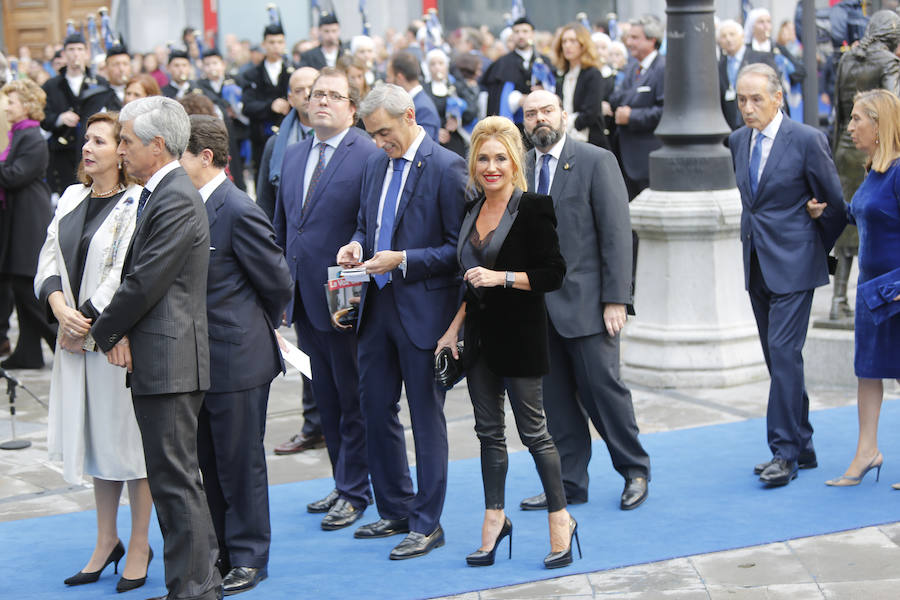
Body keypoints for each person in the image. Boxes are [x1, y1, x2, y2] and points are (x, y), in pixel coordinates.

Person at [88, 96, 222, 600]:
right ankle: (197, 584)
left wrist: (101, 330)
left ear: (158, 146)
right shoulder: (159, 193)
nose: (120, 151)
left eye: (126, 141)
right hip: (164, 357)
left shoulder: (173, 196)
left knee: (175, 482)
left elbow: (145, 282)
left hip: (170, 360)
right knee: (175, 480)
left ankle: (193, 589)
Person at [435, 115, 579, 569]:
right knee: (488, 433)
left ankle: (561, 519)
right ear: (473, 163)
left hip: (521, 336)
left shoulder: (534, 207)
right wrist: (453, 328)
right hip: (478, 338)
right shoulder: (470, 210)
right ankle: (495, 519)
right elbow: (469, 282)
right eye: (483, 158)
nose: (491, 166)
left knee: (535, 432)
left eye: (500, 158)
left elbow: (553, 273)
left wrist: (503, 277)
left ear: (514, 161)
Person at [336, 83, 466, 560]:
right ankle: (395, 509)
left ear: (410, 116)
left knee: (425, 419)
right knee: (374, 409)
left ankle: (428, 523)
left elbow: (459, 250)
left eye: (385, 132)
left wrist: (405, 259)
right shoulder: (375, 165)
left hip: (423, 314)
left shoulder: (448, 167)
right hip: (375, 307)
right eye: (372, 134)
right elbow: (365, 225)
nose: (379, 142)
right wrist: (356, 244)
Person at [33, 111, 153, 592]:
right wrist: (60, 308)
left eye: (100, 141)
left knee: (128, 444)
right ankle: (107, 541)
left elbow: (124, 272)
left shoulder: (136, 202)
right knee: (98, 444)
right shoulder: (72, 196)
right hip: (73, 335)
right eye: (86, 139)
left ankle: (140, 543)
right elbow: (48, 256)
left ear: (121, 152)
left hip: (114, 339)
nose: (87, 147)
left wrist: (83, 322)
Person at [517, 89, 651, 511]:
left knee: (603, 393)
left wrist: (617, 299)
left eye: (546, 111)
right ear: (523, 122)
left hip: (590, 306)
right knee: (554, 404)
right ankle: (570, 484)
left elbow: (616, 234)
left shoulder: (596, 161)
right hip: (536, 310)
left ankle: (634, 470)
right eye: (531, 114)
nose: (540, 119)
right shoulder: (519, 167)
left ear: (564, 114)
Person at [181, 115, 292, 595]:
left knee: (239, 462)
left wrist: (248, 324)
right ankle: (224, 549)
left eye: (179, 157)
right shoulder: (189, 204)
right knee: (210, 459)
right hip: (200, 358)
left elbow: (278, 283)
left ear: (205, 158)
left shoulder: (237, 208)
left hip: (238, 357)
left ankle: (249, 556)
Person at [729, 64, 845, 487]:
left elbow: (836, 205)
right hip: (757, 263)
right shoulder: (738, 140)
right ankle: (805, 444)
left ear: (778, 98)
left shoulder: (807, 140)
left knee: (782, 353)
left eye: (756, 98)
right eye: (741, 99)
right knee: (779, 358)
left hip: (795, 264)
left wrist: (814, 245)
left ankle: (785, 452)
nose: (747, 107)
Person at [274, 68, 378, 529]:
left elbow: (371, 224)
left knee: (352, 397)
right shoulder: (295, 155)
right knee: (325, 398)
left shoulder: (367, 154)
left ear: (352, 109)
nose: (322, 102)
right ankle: (342, 482)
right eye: (317, 95)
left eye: (334, 96)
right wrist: (277, 291)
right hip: (301, 300)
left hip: (344, 300)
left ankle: (358, 491)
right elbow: (282, 228)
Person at [806, 90, 900, 487]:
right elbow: (862, 217)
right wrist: (825, 211)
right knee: (868, 372)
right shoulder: (873, 171)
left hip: (895, 290)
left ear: (879, 126)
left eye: (858, 118)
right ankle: (867, 453)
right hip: (870, 290)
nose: (850, 126)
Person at [829, 11, 900, 322]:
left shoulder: (846, 60)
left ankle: (838, 299)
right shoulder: (888, 63)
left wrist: (834, 150)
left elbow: (839, 113)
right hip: (876, 150)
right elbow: (892, 108)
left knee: (848, 227)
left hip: (846, 148)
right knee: (876, 223)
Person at [0, 79, 56, 369]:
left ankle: (62, 344)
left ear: (27, 105)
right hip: (18, 216)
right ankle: (28, 353)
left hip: (29, 219)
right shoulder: (19, 134)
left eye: (11, 101)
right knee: (20, 285)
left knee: (26, 287)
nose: (6, 106)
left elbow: (13, 175)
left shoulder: (32, 137)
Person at [41, 32, 110, 195]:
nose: (75, 54)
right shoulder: (51, 85)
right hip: (61, 153)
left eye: (79, 49)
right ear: (64, 54)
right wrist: (59, 119)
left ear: (86, 53)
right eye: (71, 49)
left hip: (93, 151)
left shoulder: (99, 83)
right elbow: (42, 117)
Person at [609, 15, 665, 201]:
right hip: (626, 156)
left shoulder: (663, 68)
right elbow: (615, 98)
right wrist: (634, 97)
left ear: (652, 40)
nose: (629, 42)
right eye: (629, 37)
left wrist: (632, 115)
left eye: (635, 38)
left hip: (648, 158)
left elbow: (666, 111)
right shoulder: (632, 68)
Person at [242, 22, 294, 180]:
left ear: (285, 43)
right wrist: (270, 106)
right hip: (261, 138)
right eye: (271, 42)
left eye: (280, 42)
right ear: (264, 44)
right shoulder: (251, 74)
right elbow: (247, 106)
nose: (276, 47)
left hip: (290, 136)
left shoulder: (293, 71)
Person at [480, 16, 552, 128]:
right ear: (512, 36)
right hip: (514, 126)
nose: (521, 35)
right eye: (517, 32)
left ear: (532, 34)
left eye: (525, 31)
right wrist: (516, 100)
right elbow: (495, 100)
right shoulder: (501, 63)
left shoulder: (544, 61)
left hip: (542, 124)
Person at [553, 22, 612, 150]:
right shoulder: (562, 75)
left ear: (583, 45)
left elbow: (591, 113)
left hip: (590, 142)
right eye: (564, 41)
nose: (567, 45)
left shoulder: (593, 74)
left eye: (573, 41)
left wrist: (565, 123)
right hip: (564, 141)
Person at [196, 48, 249, 191]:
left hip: (237, 133)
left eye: (215, 63)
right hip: (214, 134)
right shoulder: (199, 86)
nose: (212, 68)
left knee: (238, 168)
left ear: (223, 64)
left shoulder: (235, 81)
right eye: (207, 64)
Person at [717, 20, 778, 131]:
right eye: (724, 36)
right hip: (730, 126)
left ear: (742, 36)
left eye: (732, 34)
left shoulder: (761, 58)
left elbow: (774, 87)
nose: (728, 39)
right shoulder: (718, 66)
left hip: (760, 124)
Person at [386, 51, 441, 141]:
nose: (387, 81)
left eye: (389, 77)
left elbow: (422, 147)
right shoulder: (415, 102)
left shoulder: (423, 108)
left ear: (400, 78)